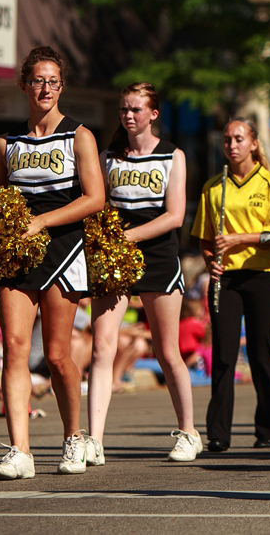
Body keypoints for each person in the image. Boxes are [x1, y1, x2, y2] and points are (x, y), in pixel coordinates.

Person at [0, 45, 106, 480]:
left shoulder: (79, 135)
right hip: (18, 254)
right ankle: (20, 450)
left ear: (62, 86)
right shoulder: (6, 143)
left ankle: (74, 436)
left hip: (64, 248)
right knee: (14, 349)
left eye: (53, 81)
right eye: (38, 80)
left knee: (56, 355)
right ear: (24, 84)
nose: (45, 88)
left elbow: (95, 199)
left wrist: (44, 222)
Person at [88, 82, 201, 466]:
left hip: (158, 256)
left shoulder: (173, 155)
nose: (129, 115)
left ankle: (188, 431)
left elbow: (174, 216)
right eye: (124, 109)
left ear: (153, 114)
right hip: (114, 260)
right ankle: (94, 440)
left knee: (168, 352)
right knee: (102, 346)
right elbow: (97, 206)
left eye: (136, 109)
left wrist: (127, 236)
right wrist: (105, 241)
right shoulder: (108, 157)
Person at [194, 117, 270, 453]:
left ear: (253, 143)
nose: (232, 145)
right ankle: (218, 432)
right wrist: (211, 262)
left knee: (260, 351)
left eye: (239, 139)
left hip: (263, 276)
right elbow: (205, 239)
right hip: (227, 279)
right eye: (227, 139)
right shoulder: (213, 187)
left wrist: (238, 239)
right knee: (222, 353)